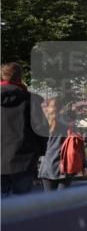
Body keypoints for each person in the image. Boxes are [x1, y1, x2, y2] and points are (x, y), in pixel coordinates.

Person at [1, 62, 46, 196]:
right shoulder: (33, 100)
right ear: (20, 77)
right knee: (21, 205)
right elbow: (41, 130)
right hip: (24, 160)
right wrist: (41, 151)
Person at [38, 98, 75, 191]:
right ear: (61, 109)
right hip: (64, 166)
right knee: (62, 201)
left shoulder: (41, 126)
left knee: (50, 202)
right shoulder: (67, 125)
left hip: (47, 167)